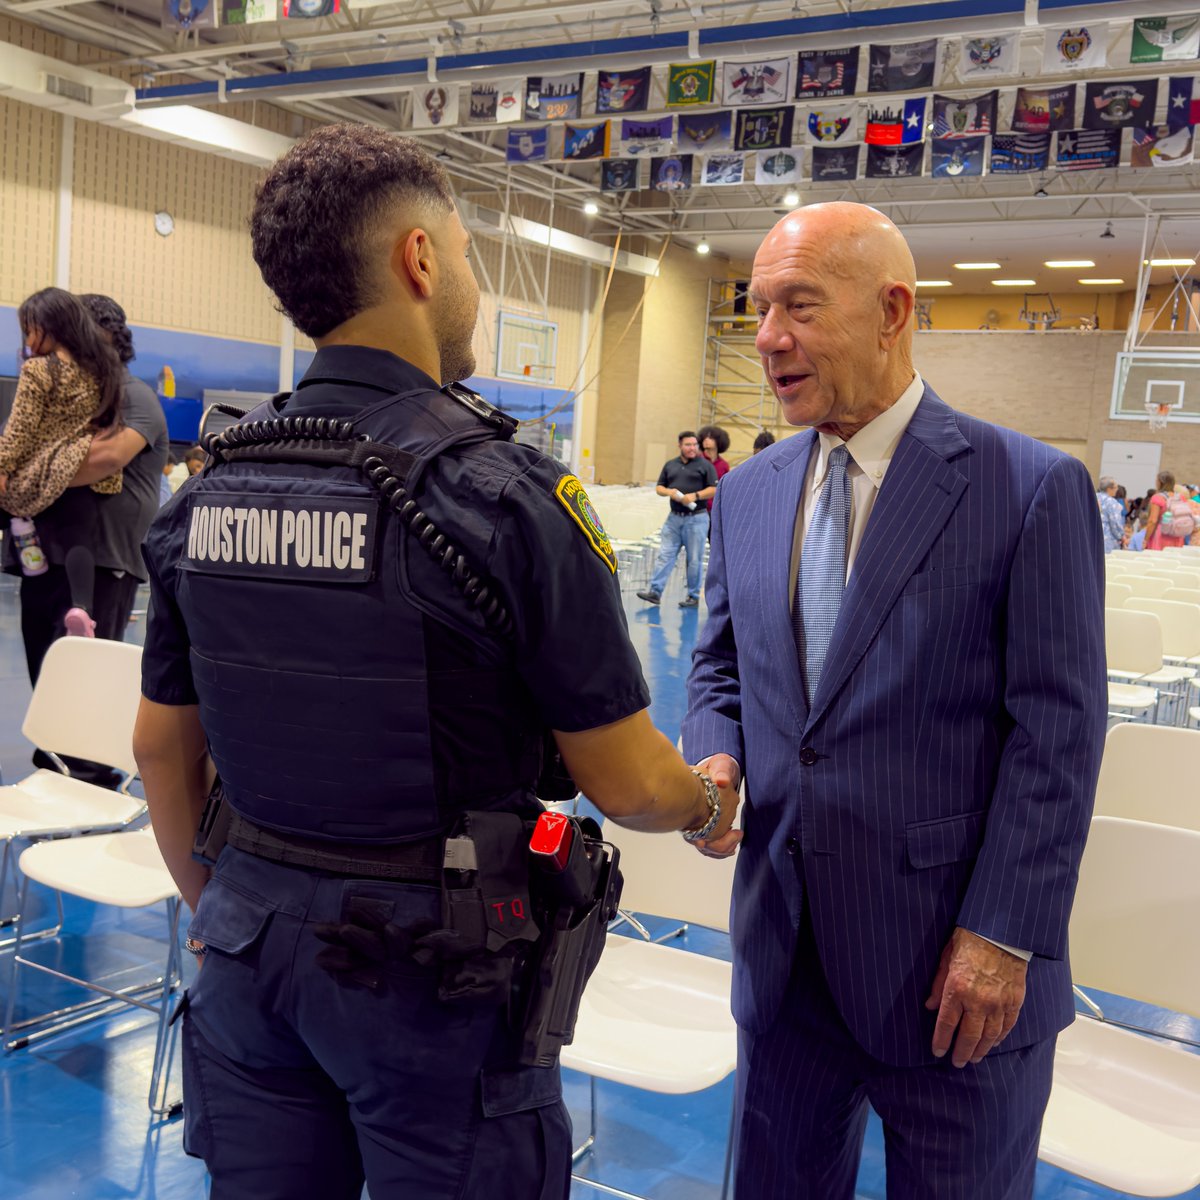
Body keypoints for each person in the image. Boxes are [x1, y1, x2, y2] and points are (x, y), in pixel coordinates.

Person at [132, 123, 738, 1200]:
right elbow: (625, 782)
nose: (470, 281)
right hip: (435, 978)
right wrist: (707, 805)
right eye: (464, 253)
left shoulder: (209, 491)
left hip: (246, 953)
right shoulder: (507, 496)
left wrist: (221, 914)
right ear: (419, 259)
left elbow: (162, 752)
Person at [683, 202, 1106, 1199]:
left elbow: (1057, 735)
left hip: (954, 977)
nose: (768, 337)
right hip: (785, 960)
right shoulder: (748, 491)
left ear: (892, 312)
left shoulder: (1028, 486)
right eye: (758, 308)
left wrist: (1003, 933)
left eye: (799, 306)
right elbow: (720, 666)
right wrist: (716, 752)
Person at [1, 288, 124, 653]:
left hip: (38, 471)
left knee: (15, 514)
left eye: (30, 330)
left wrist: (3, 466)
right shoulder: (101, 371)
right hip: (80, 471)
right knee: (77, 536)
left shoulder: (39, 370)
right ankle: (82, 608)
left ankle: (30, 553)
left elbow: (20, 429)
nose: (28, 341)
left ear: (51, 325)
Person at [635, 431, 717, 608]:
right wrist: (669, 492)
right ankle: (655, 592)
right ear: (680, 445)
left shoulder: (705, 466)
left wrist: (695, 495)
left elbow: (714, 489)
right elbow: (659, 487)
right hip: (674, 518)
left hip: (697, 519)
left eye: (694, 444)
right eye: (688, 445)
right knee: (665, 555)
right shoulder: (670, 465)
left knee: (694, 559)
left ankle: (693, 596)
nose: (692, 448)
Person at [1144, 470, 1187, 551]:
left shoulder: (1157, 498)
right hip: (1177, 534)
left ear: (1160, 482)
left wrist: (1145, 539)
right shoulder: (1181, 498)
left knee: (1158, 557)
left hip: (1162, 534)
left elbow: (1152, 521)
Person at [698, 424, 731, 513]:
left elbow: (725, 488)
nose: (706, 440)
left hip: (715, 509)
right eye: (704, 438)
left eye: (710, 438)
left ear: (719, 441)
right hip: (698, 509)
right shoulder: (696, 461)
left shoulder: (724, 465)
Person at [1096, 475, 1125, 553]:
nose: (1117, 489)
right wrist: (1121, 536)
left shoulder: (1092, 497)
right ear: (1109, 489)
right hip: (1106, 540)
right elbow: (1115, 523)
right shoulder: (1112, 502)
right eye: (1116, 487)